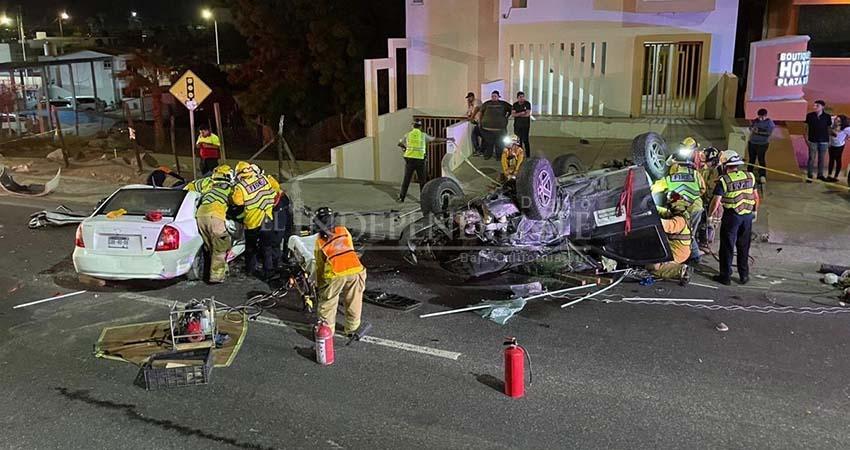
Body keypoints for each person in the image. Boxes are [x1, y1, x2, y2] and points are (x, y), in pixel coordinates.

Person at [312, 207, 368, 336]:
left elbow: (320, 265)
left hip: (336, 273)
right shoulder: (343, 230)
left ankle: (327, 333)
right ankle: (352, 330)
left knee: (329, 303)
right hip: (356, 269)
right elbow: (350, 249)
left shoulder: (319, 241)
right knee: (354, 300)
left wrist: (320, 284)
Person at [651, 137, 705, 262]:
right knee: (690, 232)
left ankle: (691, 256)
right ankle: (693, 255)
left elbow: (655, 187)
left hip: (681, 209)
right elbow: (703, 189)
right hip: (696, 208)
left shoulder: (670, 178)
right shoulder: (695, 174)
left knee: (686, 233)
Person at [710, 155, 760, 286]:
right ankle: (744, 276)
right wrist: (755, 211)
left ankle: (725, 277)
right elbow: (756, 197)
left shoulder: (724, 181)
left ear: (725, 167)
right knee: (744, 246)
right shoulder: (750, 176)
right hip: (747, 216)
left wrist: (710, 216)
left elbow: (716, 201)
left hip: (732, 216)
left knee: (727, 246)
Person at [231, 161, 282, 278]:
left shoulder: (240, 187)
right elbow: (276, 187)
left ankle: (251, 270)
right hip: (267, 217)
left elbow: (237, 202)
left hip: (252, 222)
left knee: (251, 248)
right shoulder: (264, 178)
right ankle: (268, 271)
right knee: (267, 247)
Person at [396, 119, 454, 203]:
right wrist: (448, 139)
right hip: (420, 161)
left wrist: (404, 148)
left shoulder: (407, 135)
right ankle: (423, 199)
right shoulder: (423, 136)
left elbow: (399, 143)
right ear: (420, 127)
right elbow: (435, 139)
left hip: (409, 160)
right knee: (422, 181)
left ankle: (401, 198)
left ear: (412, 126)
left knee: (406, 179)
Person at [195, 165, 235, 283]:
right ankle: (216, 277)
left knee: (210, 246)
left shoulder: (206, 183)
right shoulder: (229, 188)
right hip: (215, 216)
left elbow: (188, 187)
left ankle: (216, 271)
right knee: (220, 247)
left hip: (200, 216)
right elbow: (237, 201)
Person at [647, 192, 692, 284]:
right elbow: (662, 211)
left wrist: (647, 218)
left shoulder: (679, 220)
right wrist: (650, 206)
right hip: (677, 250)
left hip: (677, 253)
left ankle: (681, 270)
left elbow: (664, 225)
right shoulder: (681, 215)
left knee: (652, 267)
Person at [696, 147, 721, 248]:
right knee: (703, 224)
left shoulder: (718, 171)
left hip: (713, 203)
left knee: (709, 225)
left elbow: (713, 190)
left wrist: (710, 214)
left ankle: (705, 244)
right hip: (704, 201)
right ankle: (702, 241)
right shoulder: (704, 169)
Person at [477, 90, 513, 160]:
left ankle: (499, 156)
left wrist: (507, 117)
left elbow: (512, 109)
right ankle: (488, 155)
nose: (493, 97)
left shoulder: (503, 104)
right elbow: (481, 112)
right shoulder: (486, 103)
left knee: (499, 143)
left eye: (495, 96)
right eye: (492, 96)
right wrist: (480, 121)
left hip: (500, 128)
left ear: (498, 97)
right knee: (488, 143)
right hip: (487, 128)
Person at [805, 100, 832, 182]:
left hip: (824, 140)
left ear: (822, 107)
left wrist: (829, 140)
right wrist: (806, 138)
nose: (815, 107)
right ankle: (809, 175)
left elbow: (829, 129)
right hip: (812, 140)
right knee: (811, 158)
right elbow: (806, 127)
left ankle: (820, 175)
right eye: (814, 105)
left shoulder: (827, 116)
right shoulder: (809, 115)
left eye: (817, 105)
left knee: (822, 158)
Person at [747, 108, 775, 184]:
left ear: (765, 116)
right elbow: (751, 127)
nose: (760, 118)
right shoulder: (755, 121)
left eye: (762, 117)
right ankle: (749, 174)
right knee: (751, 159)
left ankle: (762, 175)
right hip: (752, 143)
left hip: (762, 144)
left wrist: (758, 131)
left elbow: (768, 133)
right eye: (759, 116)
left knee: (761, 159)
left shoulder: (769, 123)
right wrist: (751, 129)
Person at [828, 115, 850, 182]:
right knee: (831, 159)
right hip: (831, 145)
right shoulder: (832, 123)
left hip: (839, 146)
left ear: (842, 122)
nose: (836, 121)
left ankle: (836, 176)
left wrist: (847, 138)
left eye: (838, 121)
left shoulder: (846, 129)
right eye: (836, 120)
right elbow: (831, 118)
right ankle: (829, 175)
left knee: (837, 159)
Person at [512, 91, 532, 156]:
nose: (522, 98)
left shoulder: (527, 104)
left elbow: (527, 114)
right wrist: (521, 113)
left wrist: (518, 114)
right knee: (518, 140)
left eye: (523, 97)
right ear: (517, 98)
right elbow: (513, 114)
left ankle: (528, 154)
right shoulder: (515, 105)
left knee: (525, 140)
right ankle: (519, 154)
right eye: (520, 97)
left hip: (525, 125)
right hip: (517, 125)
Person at [465, 92, 482, 156]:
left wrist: (471, 118)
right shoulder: (471, 104)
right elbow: (469, 112)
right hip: (477, 122)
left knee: (475, 135)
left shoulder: (477, 102)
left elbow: (476, 110)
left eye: (469, 97)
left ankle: (479, 150)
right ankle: (479, 150)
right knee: (476, 135)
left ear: (472, 97)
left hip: (480, 122)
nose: (468, 99)